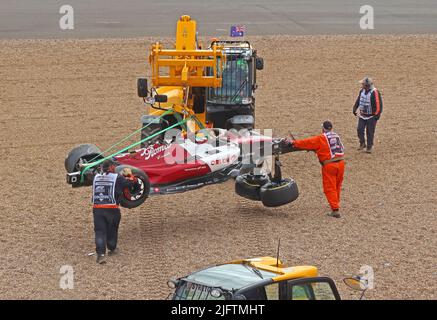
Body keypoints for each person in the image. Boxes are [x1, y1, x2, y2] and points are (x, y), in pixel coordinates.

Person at [289, 121, 345, 218]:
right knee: (337, 185)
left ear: (323, 129)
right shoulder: (336, 136)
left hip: (329, 165)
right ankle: (335, 203)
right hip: (341, 163)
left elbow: (307, 142)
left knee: (329, 187)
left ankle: (335, 210)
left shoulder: (321, 138)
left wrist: (294, 142)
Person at [92, 159, 138, 264]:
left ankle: (101, 255)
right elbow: (131, 183)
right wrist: (130, 175)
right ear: (111, 167)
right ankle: (112, 248)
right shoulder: (117, 178)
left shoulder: (96, 177)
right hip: (112, 208)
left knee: (100, 232)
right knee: (112, 229)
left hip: (97, 208)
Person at [353, 77, 383, 153]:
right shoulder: (362, 91)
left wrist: (376, 116)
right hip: (362, 115)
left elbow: (379, 104)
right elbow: (359, 99)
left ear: (367, 85)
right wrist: (355, 108)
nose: (361, 85)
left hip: (371, 116)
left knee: (370, 132)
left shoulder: (375, 92)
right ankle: (362, 143)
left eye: (363, 84)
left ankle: (369, 147)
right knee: (360, 129)